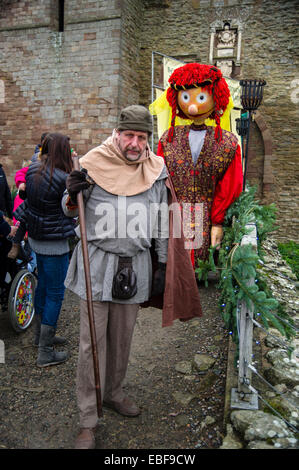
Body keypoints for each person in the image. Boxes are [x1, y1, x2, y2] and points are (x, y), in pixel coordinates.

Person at [63, 104, 202, 449]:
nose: (135, 143)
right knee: (90, 344)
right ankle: (87, 418)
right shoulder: (93, 164)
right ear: (117, 134)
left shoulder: (155, 170)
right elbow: (68, 210)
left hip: (135, 266)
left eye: (142, 137)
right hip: (96, 263)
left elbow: (161, 221)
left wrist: (162, 266)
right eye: (129, 135)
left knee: (123, 339)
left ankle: (114, 393)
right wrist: (71, 193)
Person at [156, 63, 243, 267]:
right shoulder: (168, 140)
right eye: (186, 98)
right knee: (175, 272)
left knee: (200, 275)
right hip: (174, 218)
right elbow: (158, 179)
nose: (193, 106)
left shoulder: (228, 143)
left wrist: (218, 220)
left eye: (201, 98)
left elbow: (231, 184)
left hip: (207, 218)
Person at [14, 132, 75, 364]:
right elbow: (69, 211)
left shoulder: (32, 170)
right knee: (56, 294)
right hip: (55, 243)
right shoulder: (63, 178)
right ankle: (45, 352)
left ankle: (39, 336)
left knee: (43, 287)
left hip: (36, 239)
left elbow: (27, 200)